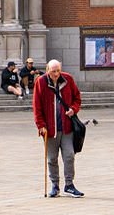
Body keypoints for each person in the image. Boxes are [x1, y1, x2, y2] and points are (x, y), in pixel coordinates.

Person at [32, 58, 84, 198]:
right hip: (49, 129)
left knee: (69, 155)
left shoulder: (68, 79)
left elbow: (77, 98)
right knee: (52, 159)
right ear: (48, 70)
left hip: (67, 127)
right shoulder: (41, 82)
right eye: (53, 71)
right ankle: (55, 185)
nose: (56, 74)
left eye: (58, 71)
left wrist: (73, 109)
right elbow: (37, 107)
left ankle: (69, 185)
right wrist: (41, 125)